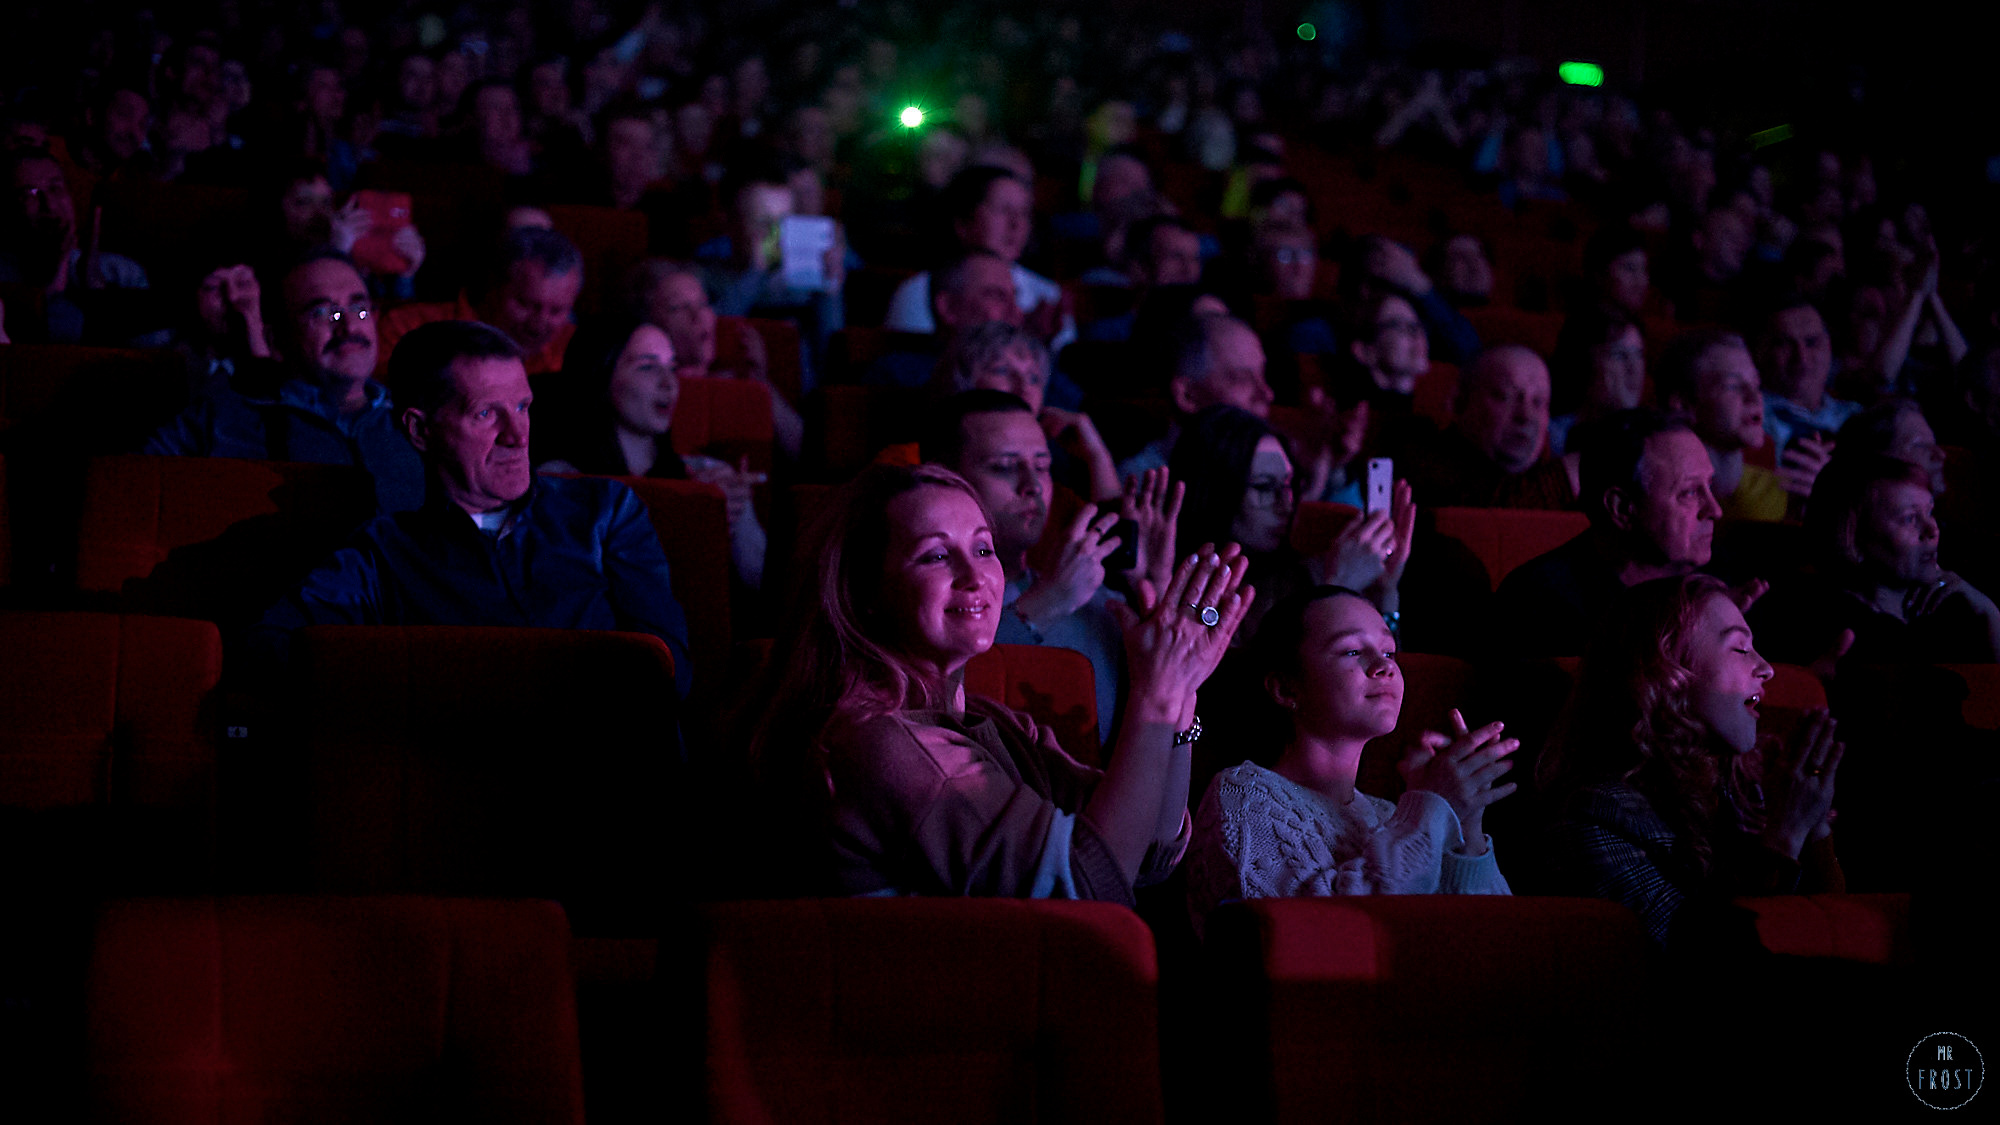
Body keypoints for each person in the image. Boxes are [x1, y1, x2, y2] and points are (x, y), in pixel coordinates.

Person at [742, 461, 1248, 902]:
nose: (975, 575)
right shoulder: (882, 744)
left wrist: (1179, 700)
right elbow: (1093, 888)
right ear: (867, 591)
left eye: (984, 549)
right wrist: (1153, 700)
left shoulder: (995, 723)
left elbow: (1150, 854)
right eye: (936, 555)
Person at [256, 319, 693, 697]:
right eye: (486, 414)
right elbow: (268, 648)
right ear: (421, 431)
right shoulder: (384, 554)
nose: (518, 436)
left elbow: (669, 669)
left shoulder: (605, 512)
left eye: (522, 407)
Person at [1185, 585, 1514, 938]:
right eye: (1352, 650)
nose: (1383, 666)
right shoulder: (1244, 795)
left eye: (1389, 651)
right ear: (1285, 689)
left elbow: (1490, 940)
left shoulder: (1386, 814)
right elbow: (1327, 941)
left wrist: (1464, 826)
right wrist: (1432, 805)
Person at [1540, 574, 1843, 952]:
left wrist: (1813, 826)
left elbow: (1835, 924)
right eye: (1740, 649)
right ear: (1667, 673)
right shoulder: (1593, 817)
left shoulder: (1753, 784)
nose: (1766, 669)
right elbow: (1704, 969)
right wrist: (1784, 836)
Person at [920, 390, 1181, 745]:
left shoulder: (1095, 597)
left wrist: (1152, 588)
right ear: (945, 477)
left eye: (1043, 467)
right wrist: (1045, 604)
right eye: (1005, 467)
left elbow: (1170, 713)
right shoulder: (926, 595)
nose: (1033, 486)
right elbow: (931, 699)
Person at [144, 250, 425, 513]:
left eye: (359, 309)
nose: (349, 326)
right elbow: (135, 485)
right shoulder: (222, 415)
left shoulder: (416, 420)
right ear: (277, 341)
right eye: (323, 313)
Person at [532, 316, 769, 590]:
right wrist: (683, 516)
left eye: (672, 367)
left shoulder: (709, 476)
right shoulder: (562, 480)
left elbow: (761, 583)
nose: (669, 383)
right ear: (601, 374)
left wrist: (724, 523)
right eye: (647, 367)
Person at [1491, 410, 1722, 656]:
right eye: (1689, 493)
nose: (1715, 510)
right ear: (1621, 508)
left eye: (1709, 485)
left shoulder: (1722, 582)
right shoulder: (1539, 602)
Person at [1751, 454, 2000, 667]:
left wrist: (1989, 614)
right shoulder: (1814, 623)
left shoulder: (1953, 607)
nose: (1933, 529)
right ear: (1852, 537)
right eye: (1910, 519)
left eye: (1930, 512)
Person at [628, 258, 805, 460]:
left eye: (704, 303)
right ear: (651, 325)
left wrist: (760, 384)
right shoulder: (646, 397)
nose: (698, 315)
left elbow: (804, 454)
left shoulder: (739, 380)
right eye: (679, 307)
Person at [884, 166, 1073, 351]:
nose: (1016, 224)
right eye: (1003, 210)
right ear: (963, 222)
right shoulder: (918, 292)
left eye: (1024, 213)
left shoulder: (1048, 294)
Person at [928, 322, 1117, 500]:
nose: (1025, 385)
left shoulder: (1055, 473)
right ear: (961, 380)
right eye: (1002, 371)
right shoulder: (931, 466)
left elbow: (1115, 530)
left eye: (1034, 377)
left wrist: (1097, 456)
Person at [375, 226, 583, 376]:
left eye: (556, 311)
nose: (538, 323)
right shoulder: (407, 329)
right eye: (526, 305)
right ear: (493, 287)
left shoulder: (577, 349)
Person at [1404, 344, 1567, 508]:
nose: (1525, 416)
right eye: (1505, 397)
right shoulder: (1420, 466)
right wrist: (1563, 479)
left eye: (1538, 402)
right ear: (1459, 402)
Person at [1116, 313, 1275, 478]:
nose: (1267, 394)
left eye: (1263, 374)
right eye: (1241, 379)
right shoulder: (1143, 484)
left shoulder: (1281, 469)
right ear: (1187, 396)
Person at [1655, 329, 1786, 521]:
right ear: (1683, 403)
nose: (1754, 397)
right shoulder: (1659, 498)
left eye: (1756, 384)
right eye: (1732, 385)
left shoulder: (1780, 493)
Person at [1754, 297, 1853, 501]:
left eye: (1811, 342)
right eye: (1785, 344)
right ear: (1761, 351)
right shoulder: (1748, 415)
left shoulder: (1857, 417)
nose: (1801, 356)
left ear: (1828, 347)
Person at [1547, 304, 1646, 456]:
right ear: (1584, 362)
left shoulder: (1655, 437)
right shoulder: (1550, 438)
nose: (1634, 369)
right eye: (1619, 355)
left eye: (1639, 355)